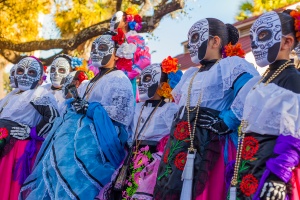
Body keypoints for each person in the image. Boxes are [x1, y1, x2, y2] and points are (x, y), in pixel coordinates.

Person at [20, 32, 135, 200]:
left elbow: (121, 116)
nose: (96, 51)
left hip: (94, 146)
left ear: (117, 53)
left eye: (102, 48)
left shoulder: (118, 78)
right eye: (94, 48)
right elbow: (77, 102)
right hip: (70, 137)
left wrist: (90, 108)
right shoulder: (91, 81)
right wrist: (77, 103)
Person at [153, 18, 259, 200]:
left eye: (195, 37)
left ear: (215, 41)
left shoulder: (230, 65)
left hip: (212, 147)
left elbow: (252, 89)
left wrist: (228, 120)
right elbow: (176, 106)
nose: (191, 44)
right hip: (181, 147)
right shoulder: (190, 75)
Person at [229, 9, 300, 200]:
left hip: (271, 170)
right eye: (252, 37)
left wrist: (278, 177)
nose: (255, 43)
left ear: (287, 42)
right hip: (248, 167)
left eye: (263, 35)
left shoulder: (293, 80)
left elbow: (295, 135)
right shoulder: (259, 82)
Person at [107, 58, 182, 200]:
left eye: (147, 78)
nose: (141, 83)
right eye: (140, 79)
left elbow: (174, 135)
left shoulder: (169, 109)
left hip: (154, 162)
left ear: (162, 85)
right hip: (132, 156)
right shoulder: (137, 107)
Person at [0, 56, 59, 200]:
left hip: (17, 150)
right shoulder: (11, 94)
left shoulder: (39, 93)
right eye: (21, 71)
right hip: (3, 145)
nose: (25, 75)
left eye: (31, 72)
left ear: (40, 79)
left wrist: (31, 132)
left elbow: (52, 117)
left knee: (10, 187)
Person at [110, 7, 151, 101]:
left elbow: (145, 60)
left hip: (127, 82)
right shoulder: (110, 40)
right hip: (110, 81)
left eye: (117, 18)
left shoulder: (136, 39)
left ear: (125, 23)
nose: (112, 21)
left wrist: (129, 75)